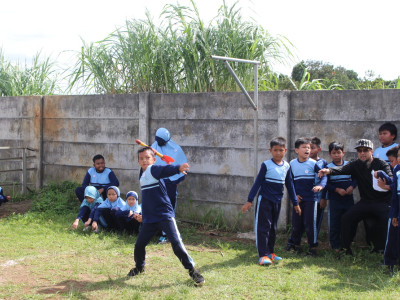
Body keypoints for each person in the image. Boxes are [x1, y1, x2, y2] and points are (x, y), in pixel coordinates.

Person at [127, 147, 204, 286]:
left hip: (164, 215)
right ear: (138, 161)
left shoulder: (152, 169)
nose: (144, 161)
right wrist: (144, 215)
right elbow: (148, 198)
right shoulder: (142, 174)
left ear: (154, 160)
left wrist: (178, 168)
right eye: (141, 158)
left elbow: (163, 170)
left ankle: (193, 271)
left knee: (176, 243)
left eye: (147, 158)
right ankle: (139, 267)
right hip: (150, 219)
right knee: (139, 245)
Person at [318, 139, 392, 255]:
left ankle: (383, 250)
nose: (362, 153)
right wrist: (327, 170)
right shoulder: (355, 164)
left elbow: (390, 178)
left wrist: (384, 181)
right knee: (346, 218)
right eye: (360, 151)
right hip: (365, 202)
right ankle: (345, 249)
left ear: (371, 151)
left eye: (366, 150)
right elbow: (342, 169)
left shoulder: (381, 163)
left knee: (385, 221)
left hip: (382, 202)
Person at [241, 137, 301, 265]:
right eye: (275, 150)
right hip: (265, 200)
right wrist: (249, 200)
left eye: (281, 150)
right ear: (270, 151)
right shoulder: (266, 165)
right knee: (264, 227)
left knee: (273, 227)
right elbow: (257, 183)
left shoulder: (286, 166)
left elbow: (290, 185)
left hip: (277, 201)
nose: (278, 153)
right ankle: (262, 255)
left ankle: (270, 252)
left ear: (285, 150)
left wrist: (295, 203)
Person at [285, 137, 327, 256]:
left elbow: (324, 176)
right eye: (304, 147)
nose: (307, 150)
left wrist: (321, 186)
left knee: (310, 223)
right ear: (296, 150)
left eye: (308, 147)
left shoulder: (314, 164)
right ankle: (295, 245)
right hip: (298, 200)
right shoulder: (292, 164)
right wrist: (294, 196)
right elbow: (289, 182)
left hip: (311, 199)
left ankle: (313, 248)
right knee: (296, 223)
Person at [151, 128, 187, 243]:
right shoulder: (153, 147)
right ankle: (158, 230)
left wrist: (176, 181)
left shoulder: (176, 150)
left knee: (169, 208)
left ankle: (169, 234)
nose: (159, 143)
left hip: (170, 183)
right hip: (157, 182)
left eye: (162, 141)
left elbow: (183, 167)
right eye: (158, 140)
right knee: (157, 206)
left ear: (167, 140)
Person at [320, 142, 357, 251]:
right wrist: (336, 189)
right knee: (335, 223)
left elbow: (355, 178)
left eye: (339, 152)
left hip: (348, 199)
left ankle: (348, 244)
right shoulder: (327, 167)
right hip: (335, 200)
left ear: (343, 153)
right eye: (334, 153)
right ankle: (335, 246)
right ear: (330, 154)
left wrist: (352, 187)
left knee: (350, 220)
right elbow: (325, 183)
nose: (336, 155)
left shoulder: (349, 165)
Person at [375, 147, 400, 274]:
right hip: (397, 209)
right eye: (399, 156)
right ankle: (390, 264)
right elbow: (395, 192)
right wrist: (395, 213)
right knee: (392, 238)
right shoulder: (397, 170)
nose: (399, 160)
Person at [310, 137, 328, 236]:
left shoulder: (323, 163)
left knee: (316, 221)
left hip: (318, 198)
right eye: (308, 147)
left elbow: (325, 180)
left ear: (319, 149)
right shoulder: (304, 162)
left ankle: (314, 240)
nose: (310, 150)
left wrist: (324, 198)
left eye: (312, 148)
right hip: (306, 198)